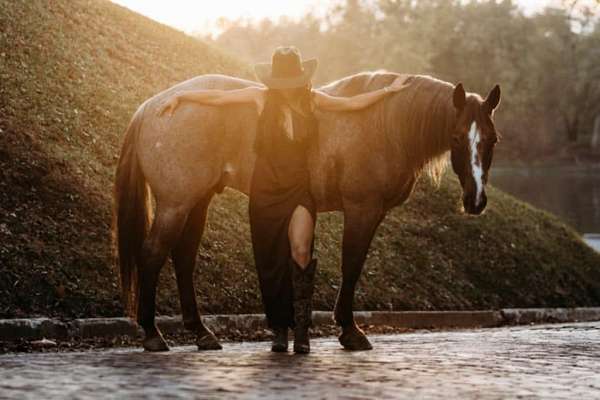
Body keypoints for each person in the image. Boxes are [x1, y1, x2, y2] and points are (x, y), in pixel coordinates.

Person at [158, 46, 408, 354]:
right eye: (282, 83)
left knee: (301, 251)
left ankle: (301, 331)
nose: (287, 89)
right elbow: (219, 98)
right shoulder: (261, 97)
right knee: (271, 260)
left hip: (299, 187)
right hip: (265, 188)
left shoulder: (312, 100)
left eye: (291, 82)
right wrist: (183, 97)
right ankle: (279, 330)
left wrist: (388, 91)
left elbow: (352, 104)